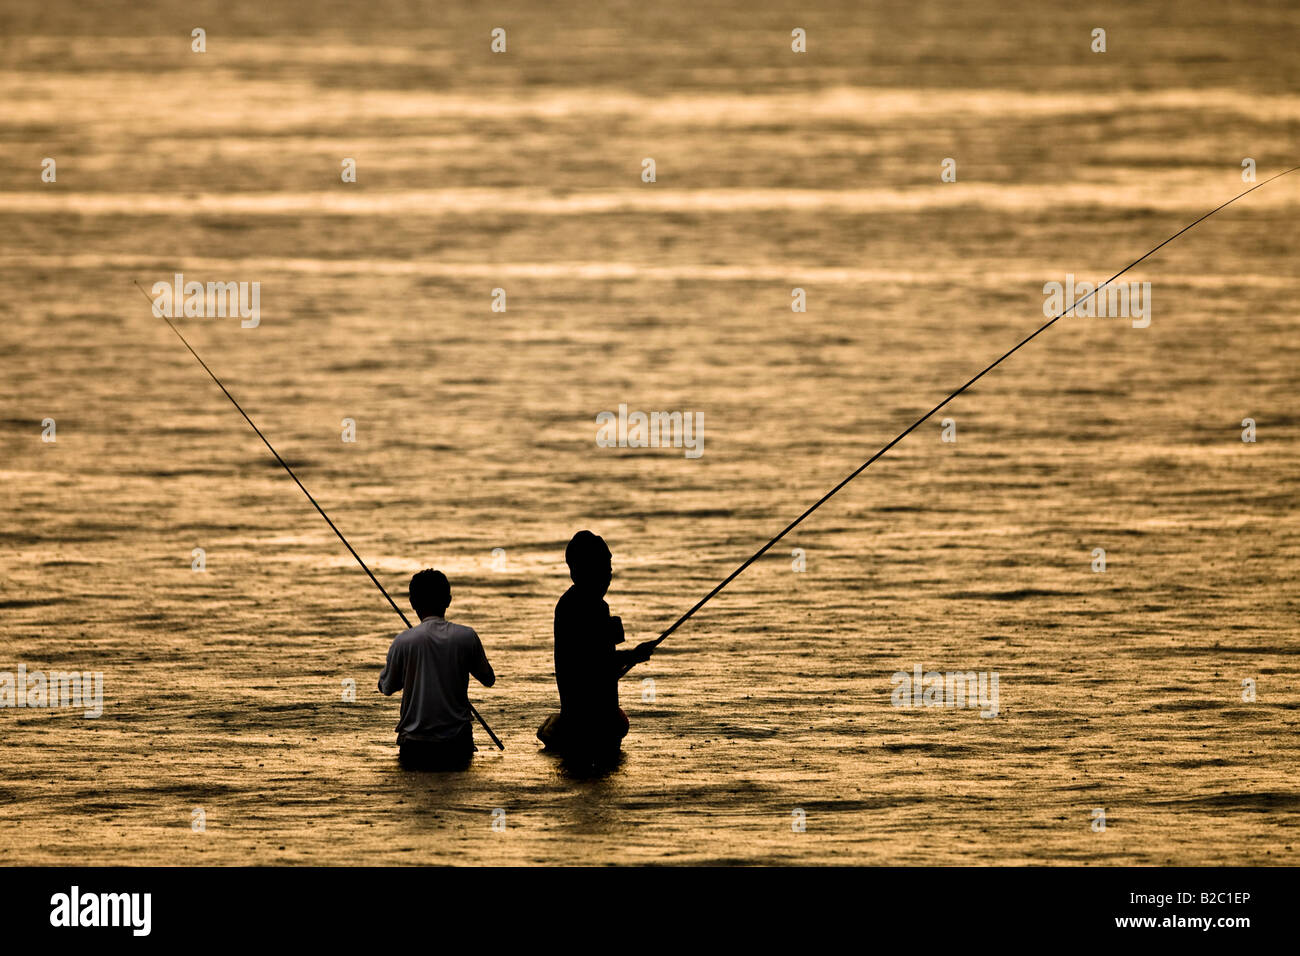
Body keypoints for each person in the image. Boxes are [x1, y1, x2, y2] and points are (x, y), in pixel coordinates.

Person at [537, 531, 655, 762]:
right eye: (605, 567)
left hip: (580, 718)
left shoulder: (570, 604)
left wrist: (631, 656)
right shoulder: (589, 608)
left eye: (610, 567)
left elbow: (594, 662)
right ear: (585, 569)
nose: (610, 574)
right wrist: (635, 655)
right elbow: (596, 664)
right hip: (592, 724)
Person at [379, 569, 495, 769]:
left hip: (415, 744)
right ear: (448, 600)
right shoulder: (466, 636)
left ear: (413, 603)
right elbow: (488, 679)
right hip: (458, 742)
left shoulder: (403, 641)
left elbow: (387, 687)